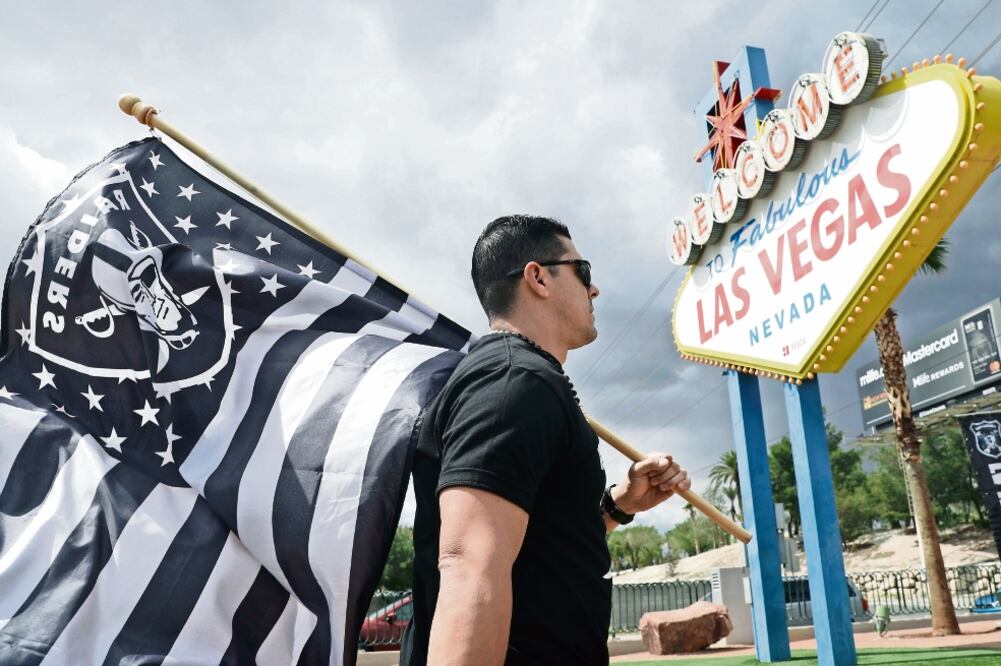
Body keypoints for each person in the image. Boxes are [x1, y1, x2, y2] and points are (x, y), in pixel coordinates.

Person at [400, 215, 690, 665]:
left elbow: (538, 544)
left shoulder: (523, 380)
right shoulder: (512, 381)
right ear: (538, 278)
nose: (594, 289)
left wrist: (621, 505)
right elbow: (470, 565)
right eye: (583, 271)